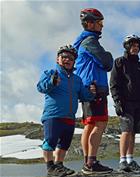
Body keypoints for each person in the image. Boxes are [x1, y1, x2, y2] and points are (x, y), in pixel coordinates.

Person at [37, 45, 95, 177]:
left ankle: (59, 165)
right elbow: (40, 87)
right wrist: (52, 82)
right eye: (64, 57)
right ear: (58, 59)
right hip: (53, 115)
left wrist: (91, 93)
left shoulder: (77, 79)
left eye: (71, 58)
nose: (67, 60)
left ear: (74, 62)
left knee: (64, 144)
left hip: (69, 117)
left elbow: (84, 96)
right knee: (50, 141)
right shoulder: (50, 73)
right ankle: (50, 167)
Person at [73, 8, 114, 174]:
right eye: (99, 23)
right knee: (100, 123)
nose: (102, 26)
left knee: (89, 125)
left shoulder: (82, 42)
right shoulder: (90, 41)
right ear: (89, 23)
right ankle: (92, 163)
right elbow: (107, 63)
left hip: (87, 88)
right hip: (95, 88)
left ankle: (87, 163)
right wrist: (109, 54)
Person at [110, 34, 140, 173]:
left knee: (133, 132)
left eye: (137, 46)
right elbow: (114, 83)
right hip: (125, 103)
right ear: (127, 46)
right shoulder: (119, 62)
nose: (135, 48)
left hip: (139, 104)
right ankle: (122, 161)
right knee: (126, 131)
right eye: (133, 46)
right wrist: (117, 101)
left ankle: (130, 160)